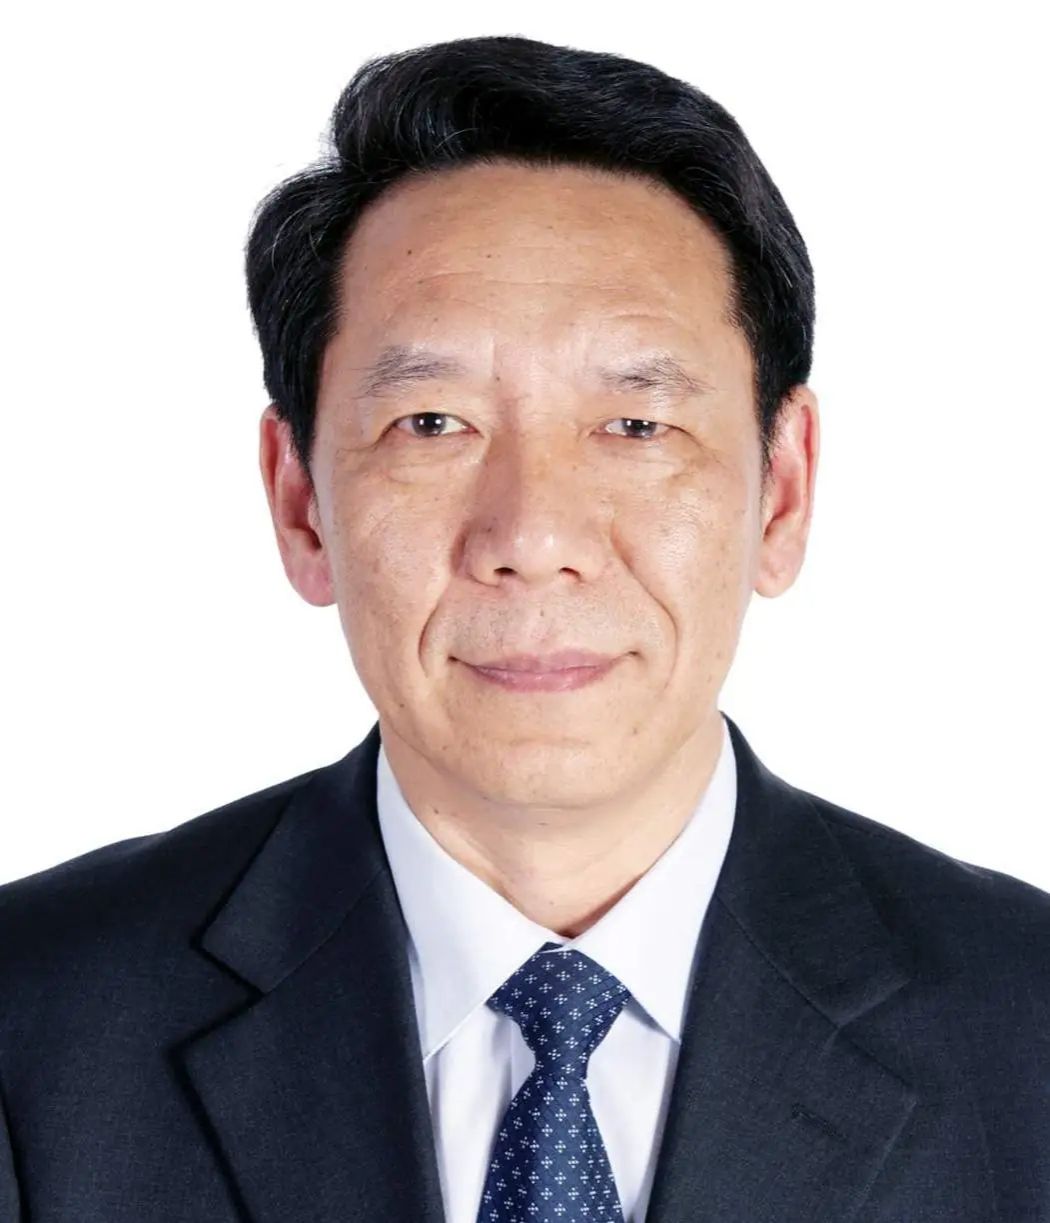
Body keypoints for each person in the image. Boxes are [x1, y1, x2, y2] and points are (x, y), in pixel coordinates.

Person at [1, 33, 1047, 1223]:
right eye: (432, 423)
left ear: (784, 489)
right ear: (299, 501)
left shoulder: (1026, 1030)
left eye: (637, 426)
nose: (533, 533)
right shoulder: (32, 1026)